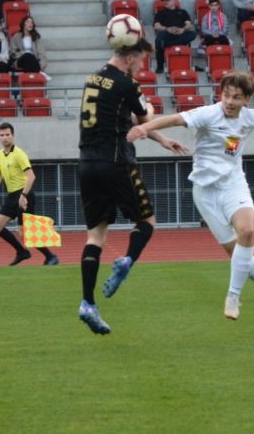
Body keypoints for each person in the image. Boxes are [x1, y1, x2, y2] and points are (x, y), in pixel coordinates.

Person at [127, 72, 254, 320]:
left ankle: (233, 296)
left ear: (247, 99)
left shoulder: (250, 118)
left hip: (234, 184)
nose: (230, 101)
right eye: (227, 95)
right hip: (205, 192)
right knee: (239, 256)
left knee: (247, 232)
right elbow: (175, 119)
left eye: (237, 97)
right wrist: (144, 127)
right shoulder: (209, 113)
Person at [74, 37, 189, 335]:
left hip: (87, 164)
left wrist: (162, 140)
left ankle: (88, 303)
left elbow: (125, 121)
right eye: (141, 61)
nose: (141, 67)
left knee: (95, 235)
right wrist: (149, 107)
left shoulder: (93, 78)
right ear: (129, 58)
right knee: (147, 220)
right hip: (116, 162)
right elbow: (143, 119)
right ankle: (127, 260)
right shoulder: (127, 84)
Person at [0, 123, 59, 266]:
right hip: (11, 196)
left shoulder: (19, 154)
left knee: (26, 233)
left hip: (24, 195)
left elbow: (31, 176)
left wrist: (23, 196)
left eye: (7, 134)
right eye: (2, 135)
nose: (4, 138)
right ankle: (22, 252)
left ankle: (50, 256)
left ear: (13, 135)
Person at [151, 0, 196, 72]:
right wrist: (167, 29)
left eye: (168, 0)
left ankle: (169, 44)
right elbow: (156, 26)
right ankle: (160, 67)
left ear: (174, 1)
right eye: (164, 1)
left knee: (192, 34)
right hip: (167, 33)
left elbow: (189, 24)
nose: (165, 2)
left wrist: (183, 29)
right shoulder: (160, 13)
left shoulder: (182, 12)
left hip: (180, 33)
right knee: (158, 40)